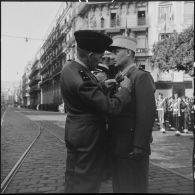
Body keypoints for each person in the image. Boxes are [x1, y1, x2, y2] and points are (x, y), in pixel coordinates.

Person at [60, 30, 132, 193]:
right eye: (99, 57)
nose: (101, 61)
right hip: (88, 137)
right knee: (87, 182)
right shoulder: (83, 78)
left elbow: (82, 96)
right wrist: (125, 91)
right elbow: (111, 107)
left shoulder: (70, 68)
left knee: (73, 176)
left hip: (74, 131)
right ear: (91, 55)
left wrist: (100, 86)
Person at [107, 35, 156, 193]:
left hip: (132, 149)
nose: (111, 56)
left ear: (129, 52)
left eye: (116, 51)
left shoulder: (141, 77)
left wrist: (139, 146)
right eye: (111, 52)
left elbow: (146, 115)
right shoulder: (118, 78)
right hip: (117, 147)